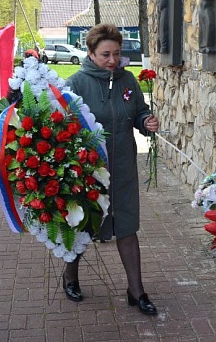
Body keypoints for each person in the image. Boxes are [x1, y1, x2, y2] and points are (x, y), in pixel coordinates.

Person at [63, 23, 159, 315]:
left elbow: (139, 111)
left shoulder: (128, 80)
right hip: (89, 170)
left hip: (124, 168)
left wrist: (146, 121)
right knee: (83, 226)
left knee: (127, 226)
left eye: (116, 53)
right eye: (105, 54)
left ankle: (136, 291)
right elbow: (64, 127)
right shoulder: (77, 84)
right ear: (91, 53)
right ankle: (70, 276)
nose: (112, 60)